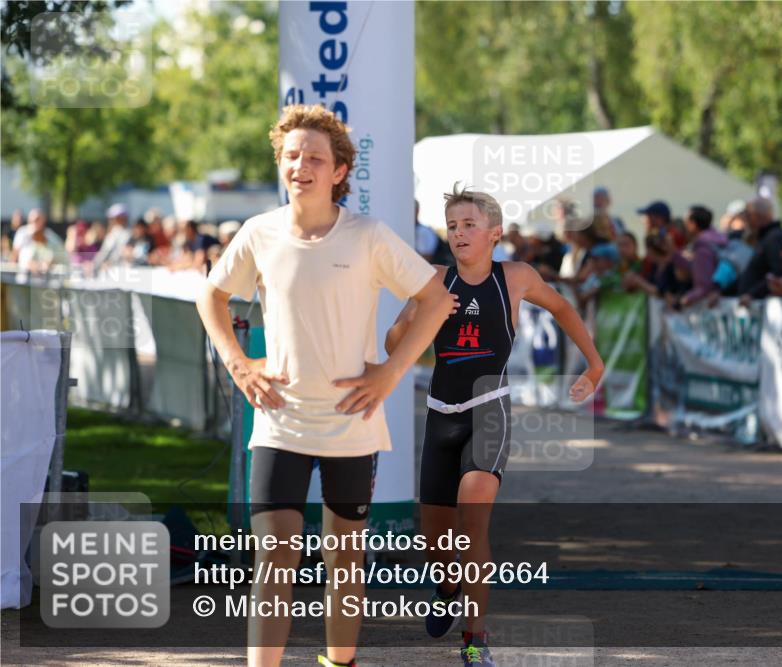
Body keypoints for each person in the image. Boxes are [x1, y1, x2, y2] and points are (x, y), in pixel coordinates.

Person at [197, 103, 452, 667]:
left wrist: (391, 372)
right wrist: (239, 363)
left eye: (314, 158)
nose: (301, 166)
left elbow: (435, 299)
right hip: (279, 421)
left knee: (345, 560)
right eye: (292, 156)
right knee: (274, 559)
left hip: (350, 424)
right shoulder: (259, 233)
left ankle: (340, 663)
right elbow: (210, 296)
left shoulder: (368, 236)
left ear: (339, 171)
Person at [385, 185, 603, 667]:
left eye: (469, 225)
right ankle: (447, 587)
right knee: (436, 540)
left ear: (495, 233)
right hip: (440, 414)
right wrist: (421, 316)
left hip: (488, 410)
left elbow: (563, 307)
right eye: (453, 226)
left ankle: (475, 638)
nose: (459, 233)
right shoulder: (434, 279)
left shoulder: (516, 277)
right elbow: (392, 343)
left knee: (472, 521)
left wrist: (594, 364)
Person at [736, 197, 782, 303]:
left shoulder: (775, 238)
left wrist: (752, 294)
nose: (746, 220)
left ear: (759, 215)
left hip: (766, 306)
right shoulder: (766, 237)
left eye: (749, 215)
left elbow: (778, 273)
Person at [673, 205, 727, 308]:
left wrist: (685, 300)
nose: (684, 227)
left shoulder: (703, 247)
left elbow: (704, 286)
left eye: (686, 223)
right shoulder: (718, 239)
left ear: (693, 224)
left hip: (713, 305)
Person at [92, 203, 132, 270]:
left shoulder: (122, 234)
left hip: (115, 268)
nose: (110, 220)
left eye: (112, 218)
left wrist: (95, 264)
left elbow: (105, 252)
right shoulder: (124, 232)